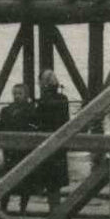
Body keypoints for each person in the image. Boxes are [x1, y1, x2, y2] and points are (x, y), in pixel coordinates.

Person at [31, 71, 73, 211]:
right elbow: (65, 121)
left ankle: (53, 210)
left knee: (50, 180)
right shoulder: (63, 98)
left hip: (48, 143)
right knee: (55, 182)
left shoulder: (44, 101)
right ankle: (55, 209)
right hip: (60, 143)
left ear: (43, 84)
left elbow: (38, 121)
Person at [0, 83, 38, 213]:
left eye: (20, 93)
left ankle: (23, 207)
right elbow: (0, 130)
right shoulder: (6, 110)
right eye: (15, 94)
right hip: (10, 150)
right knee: (7, 179)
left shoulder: (31, 110)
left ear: (26, 95)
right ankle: (3, 207)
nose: (17, 96)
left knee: (26, 180)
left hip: (25, 150)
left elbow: (35, 128)